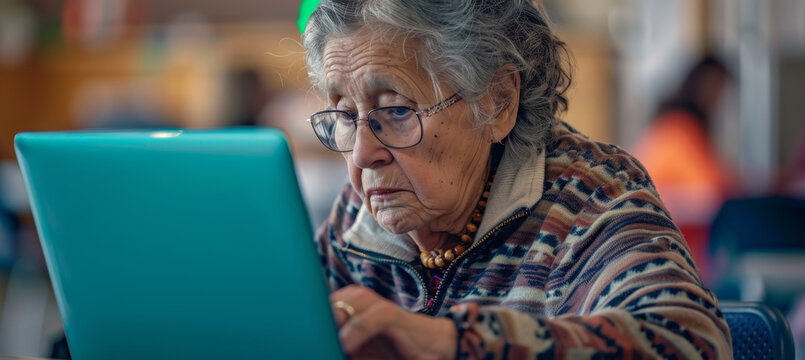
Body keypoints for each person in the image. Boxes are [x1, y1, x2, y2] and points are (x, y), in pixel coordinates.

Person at [301, 0, 731, 358]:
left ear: (498, 102)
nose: (363, 154)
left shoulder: (590, 197)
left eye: (397, 110)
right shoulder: (357, 218)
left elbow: (689, 343)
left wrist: (453, 343)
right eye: (346, 115)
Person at [632, 56, 733, 283]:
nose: (720, 99)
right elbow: (713, 189)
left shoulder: (672, 123)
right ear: (699, 83)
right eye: (718, 88)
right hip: (661, 251)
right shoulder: (679, 127)